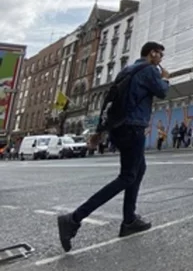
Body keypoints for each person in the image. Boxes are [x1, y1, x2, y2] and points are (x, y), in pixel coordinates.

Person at [56, 41, 170, 251]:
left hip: (118, 128)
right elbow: (162, 92)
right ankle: (74, 219)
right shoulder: (149, 70)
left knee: (138, 169)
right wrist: (166, 79)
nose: (161, 59)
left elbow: (108, 101)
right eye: (160, 55)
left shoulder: (126, 70)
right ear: (152, 53)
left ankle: (129, 220)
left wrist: (100, 130)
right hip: (133, 128)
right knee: (127, 176)